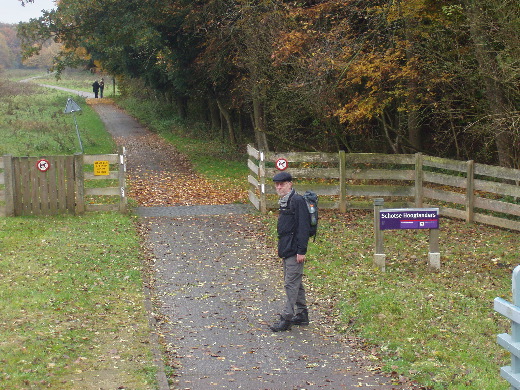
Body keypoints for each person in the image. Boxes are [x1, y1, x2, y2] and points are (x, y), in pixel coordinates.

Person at [270, 171, 311, 332]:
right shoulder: (285, 201)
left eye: (283, 184)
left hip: (295, 250)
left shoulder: (297, 200)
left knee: (290, 284)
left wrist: (301, 251)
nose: (279, 187)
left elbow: (303, 227)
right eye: (277, 184)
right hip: (287, 248)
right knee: (296, 282)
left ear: (290, 184)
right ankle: (302, 314)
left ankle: (286, 318)